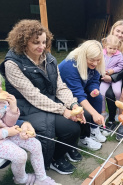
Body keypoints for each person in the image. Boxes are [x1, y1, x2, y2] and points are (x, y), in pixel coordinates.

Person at [0, 19, 85, 174]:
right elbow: (32, 96)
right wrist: (62, 110)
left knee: (74, 126)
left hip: (47, 101)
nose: (42, 47)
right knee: (64, 129)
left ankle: (60, 153)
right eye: (36, 42)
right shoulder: (11, 64)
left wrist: (72, 105)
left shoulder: (49, 59)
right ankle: (52, 160)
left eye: (44, 42)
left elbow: (60, 86)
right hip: (23, 107)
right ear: (23, 42)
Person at [0, 88, 60, 185]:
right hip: (3, 137)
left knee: (35, 143)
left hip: (7, 132)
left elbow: (8, 122)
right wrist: (6, 132)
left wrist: (13, 108)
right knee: (20, 155)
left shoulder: (2, 102)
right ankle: (21, 179)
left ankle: (41, 178)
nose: (0, 89)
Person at [59, 40, 107, 150]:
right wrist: (95, 114)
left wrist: (93, 89)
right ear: (83, 56)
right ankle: (83, 137)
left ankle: (94, 129)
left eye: (98, 60)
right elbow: (77, 95)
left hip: (79, 91)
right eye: (92, 60)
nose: (95, 63)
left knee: (98, 97)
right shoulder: (70, 66)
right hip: (64, 97)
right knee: (87, 113)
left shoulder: (95, 64)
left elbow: (94, 80)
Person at [101, 20, 123, 137]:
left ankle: (114, 118)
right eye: (117, 31)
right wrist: (103, 75)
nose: (119, 34)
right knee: (103, 92)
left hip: (120, 77)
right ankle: (106, 115)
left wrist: (112, 77)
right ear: (113, 30)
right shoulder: (104, 44)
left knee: (112, 93)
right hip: (104, 77)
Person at [100, 35, 123, 119]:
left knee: (117, 92)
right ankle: (103, 112)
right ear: (105, 45)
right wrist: (102, 71)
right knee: (101, 93)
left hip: (115, 78)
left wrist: (112, 71)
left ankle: (118, 109)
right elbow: (98, 63)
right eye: (110, 48)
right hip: (104, 78)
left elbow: (121, 66)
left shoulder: (119, 55)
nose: (112, 50)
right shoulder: (101, 53)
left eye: (115, 48)